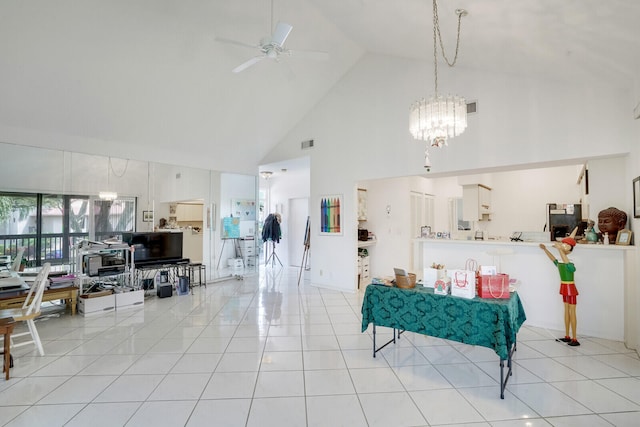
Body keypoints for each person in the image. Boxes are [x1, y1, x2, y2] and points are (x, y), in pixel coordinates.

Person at [539, 227, 580, 346]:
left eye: (566, 245)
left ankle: (575, 338)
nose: (563, 246)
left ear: (571, 248)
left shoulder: (569, 263)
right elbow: (554, 260)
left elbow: (567, 263)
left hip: (571, 289)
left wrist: (560, 249)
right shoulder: (562, 262)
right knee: (566, 311)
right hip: (564, 287)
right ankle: (567, 335)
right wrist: (545, 250)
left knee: (572, 312)